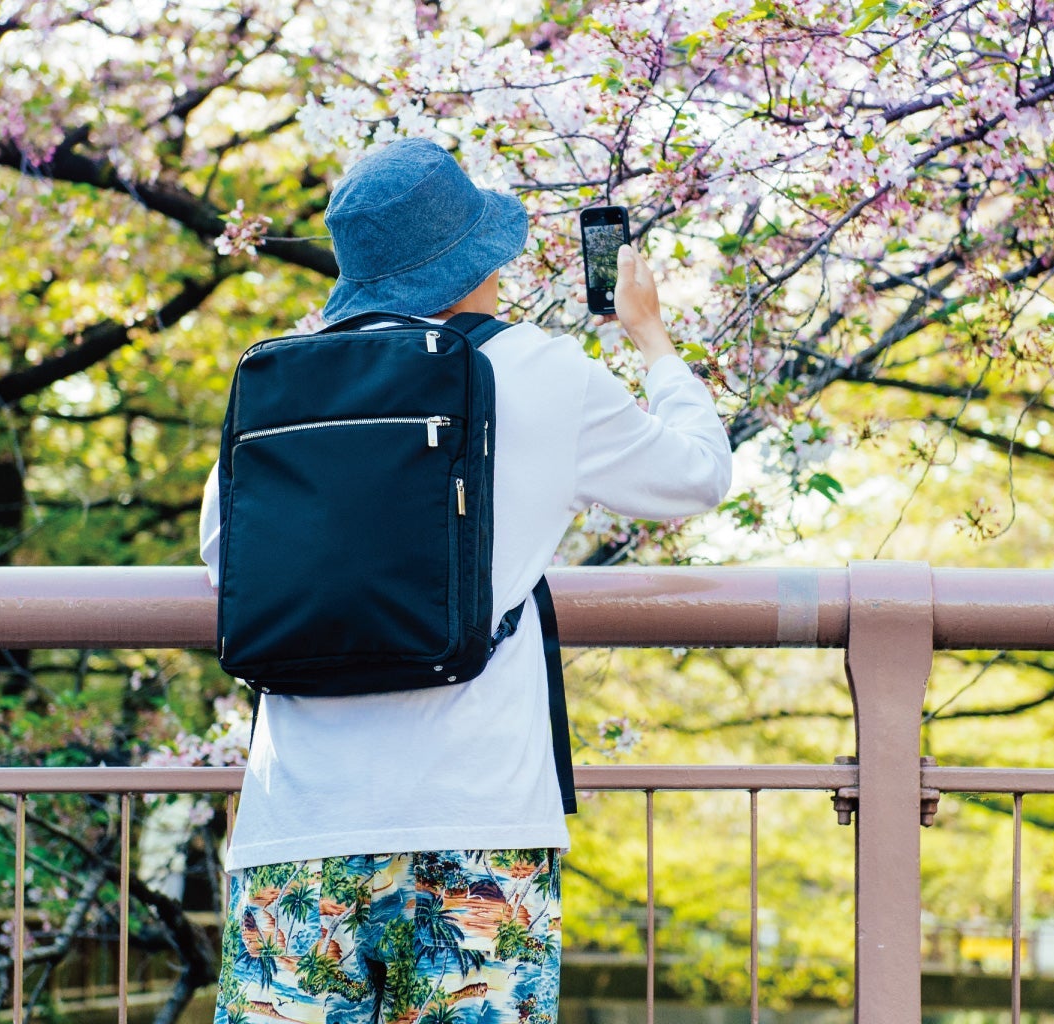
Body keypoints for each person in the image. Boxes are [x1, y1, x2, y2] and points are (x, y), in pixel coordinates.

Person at [197, 137, 732, 1024]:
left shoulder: (278, 380)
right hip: (478, 819)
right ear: (481, 258)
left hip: (300, 820)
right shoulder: (544, 373)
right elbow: (697, 475)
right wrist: (650, 337)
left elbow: (229, 556)